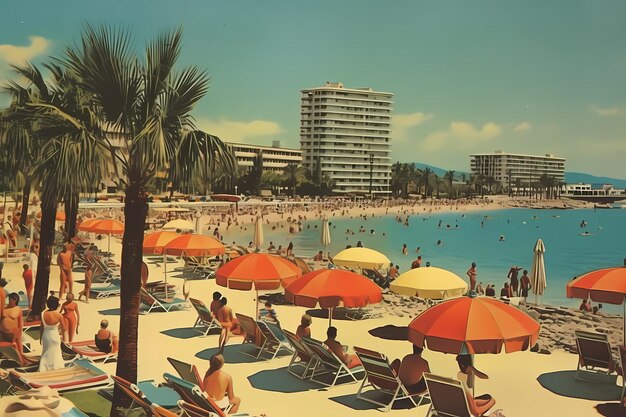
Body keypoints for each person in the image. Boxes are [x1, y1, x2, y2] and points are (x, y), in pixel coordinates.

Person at [0, 293, 29, 365]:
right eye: (9, 299)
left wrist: (19, 331)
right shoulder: (4, 309)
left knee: (18, 349)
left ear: (16, 300)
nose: (10, 300)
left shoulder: (18, 309)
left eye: (12, 299)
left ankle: (22, 362)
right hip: (3, 332)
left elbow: (20, 322)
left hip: (14, 332)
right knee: (5, 349)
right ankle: (8, 361)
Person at [39, 295, 66, 371]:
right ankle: (56, 367)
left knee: (46, 352)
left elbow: (41, 327)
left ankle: (44, 367)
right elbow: (64, 328)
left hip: (46, 335)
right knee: (56, 353)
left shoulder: (43, 313)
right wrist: (63, 337)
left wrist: (40, 337)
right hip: (55, 335)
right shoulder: (59, 315)